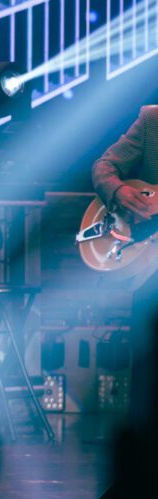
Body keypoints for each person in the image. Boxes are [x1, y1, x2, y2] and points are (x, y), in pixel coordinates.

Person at [92, 106, 158, 423]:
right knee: (146, 372)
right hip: (150, 269)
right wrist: (119, 191)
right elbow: (104, 166)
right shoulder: (152, 119)